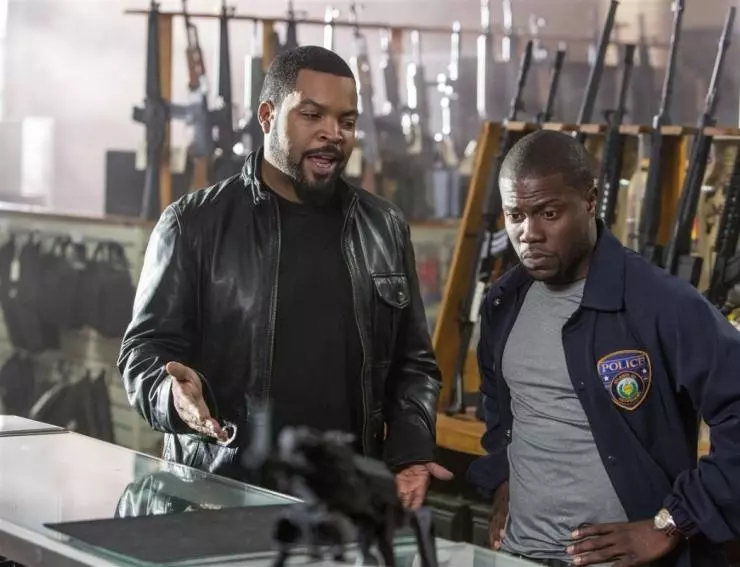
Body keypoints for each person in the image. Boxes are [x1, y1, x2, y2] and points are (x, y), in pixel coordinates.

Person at [118, 45, 452, 509]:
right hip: (223, 498)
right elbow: (142, 353)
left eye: (347, 121)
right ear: (267, 115)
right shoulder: (192, 224)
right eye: (311, 115)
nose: (332, 133)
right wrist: (170, 397)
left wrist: (411, 451)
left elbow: (413, 365)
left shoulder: (384, 227)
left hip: (345, 503)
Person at [467, 130, 740, 567]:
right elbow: (501, 408)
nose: (529, 234)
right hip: (520, 553)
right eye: (515, 215)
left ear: (591, 201)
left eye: (549, 213)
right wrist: (504, 478)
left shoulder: (660, 302)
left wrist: (672, 522)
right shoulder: (503, 302)